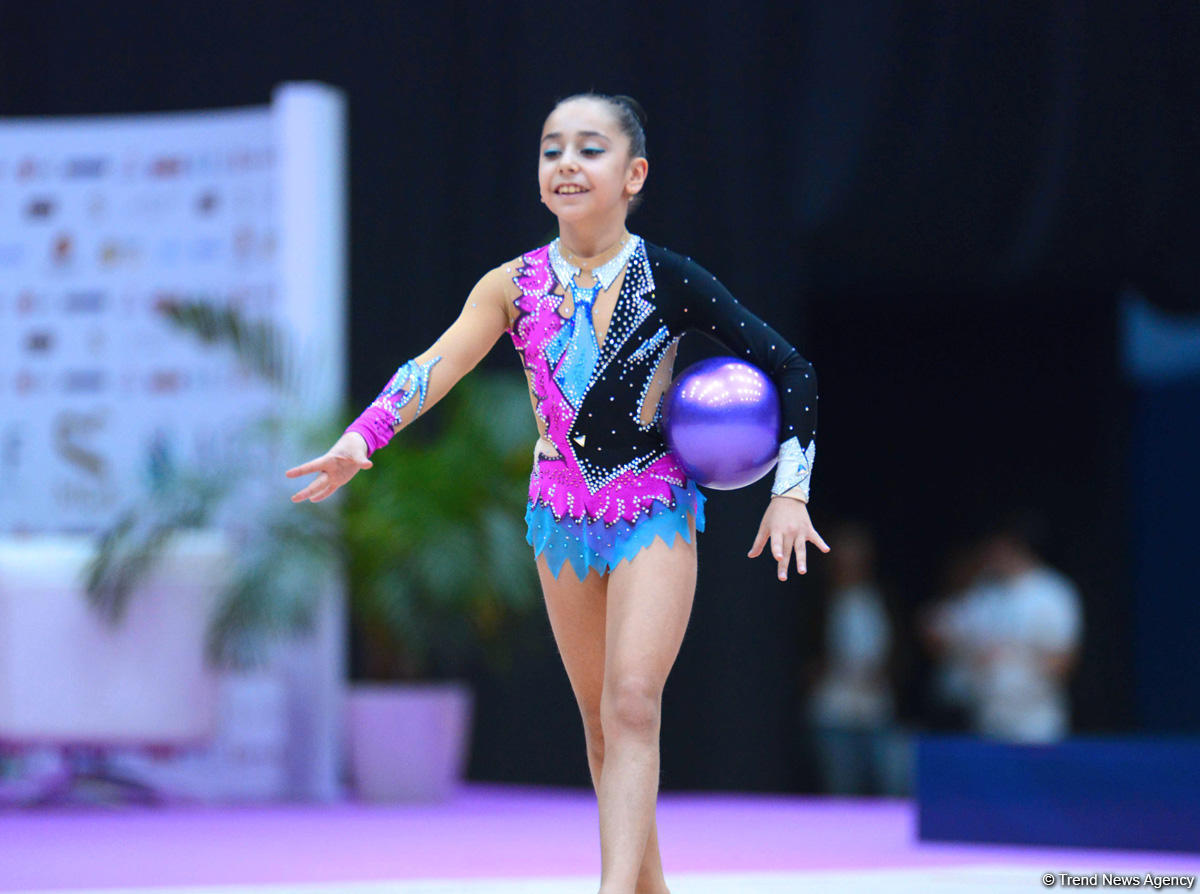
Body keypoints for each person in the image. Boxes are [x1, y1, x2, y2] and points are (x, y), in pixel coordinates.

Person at [286, 92, 828, 894]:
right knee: (603, 728)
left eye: (590, 148)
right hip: (560, 519)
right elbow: (433, 367)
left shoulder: (671, 280)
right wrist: (361, 437)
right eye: (552, 149)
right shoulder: (512, 286)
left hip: (652, 507)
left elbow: (793, 367)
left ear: (633, 173)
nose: (567, 163)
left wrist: (791, 492)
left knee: (634, 704)